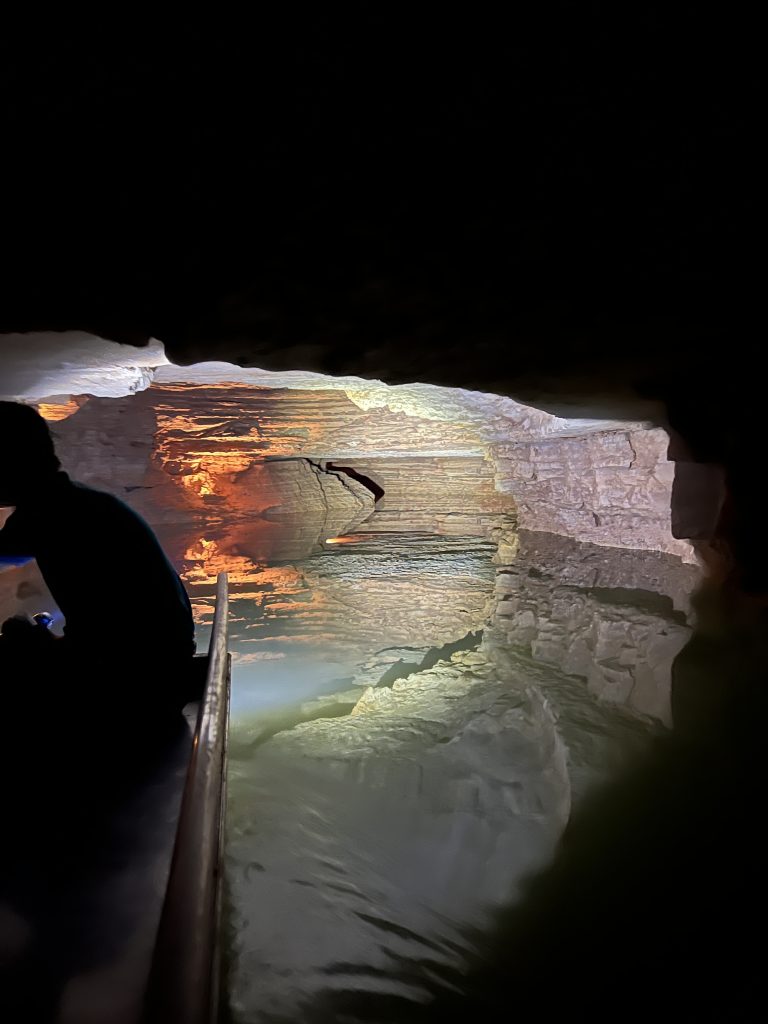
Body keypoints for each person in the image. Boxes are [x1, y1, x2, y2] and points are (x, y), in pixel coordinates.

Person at [0, 401, 198, 727]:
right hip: (165, 658)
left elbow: (6, 549)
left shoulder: (47, 513)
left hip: (139, 678)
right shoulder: (80, 501)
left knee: (15, 639)